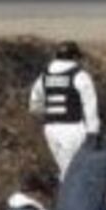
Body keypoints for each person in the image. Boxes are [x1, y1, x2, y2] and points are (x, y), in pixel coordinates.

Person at [29, 41, 100, 180]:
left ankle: (65, 195)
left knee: (65, 168)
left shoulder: (44, 76)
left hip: (50, 129)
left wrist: (45, 114)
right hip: (72, 127)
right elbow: (90, 105)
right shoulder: (79, 75)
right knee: (78, 171)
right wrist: (93, 132)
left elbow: (34, 104)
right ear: (74, 57)